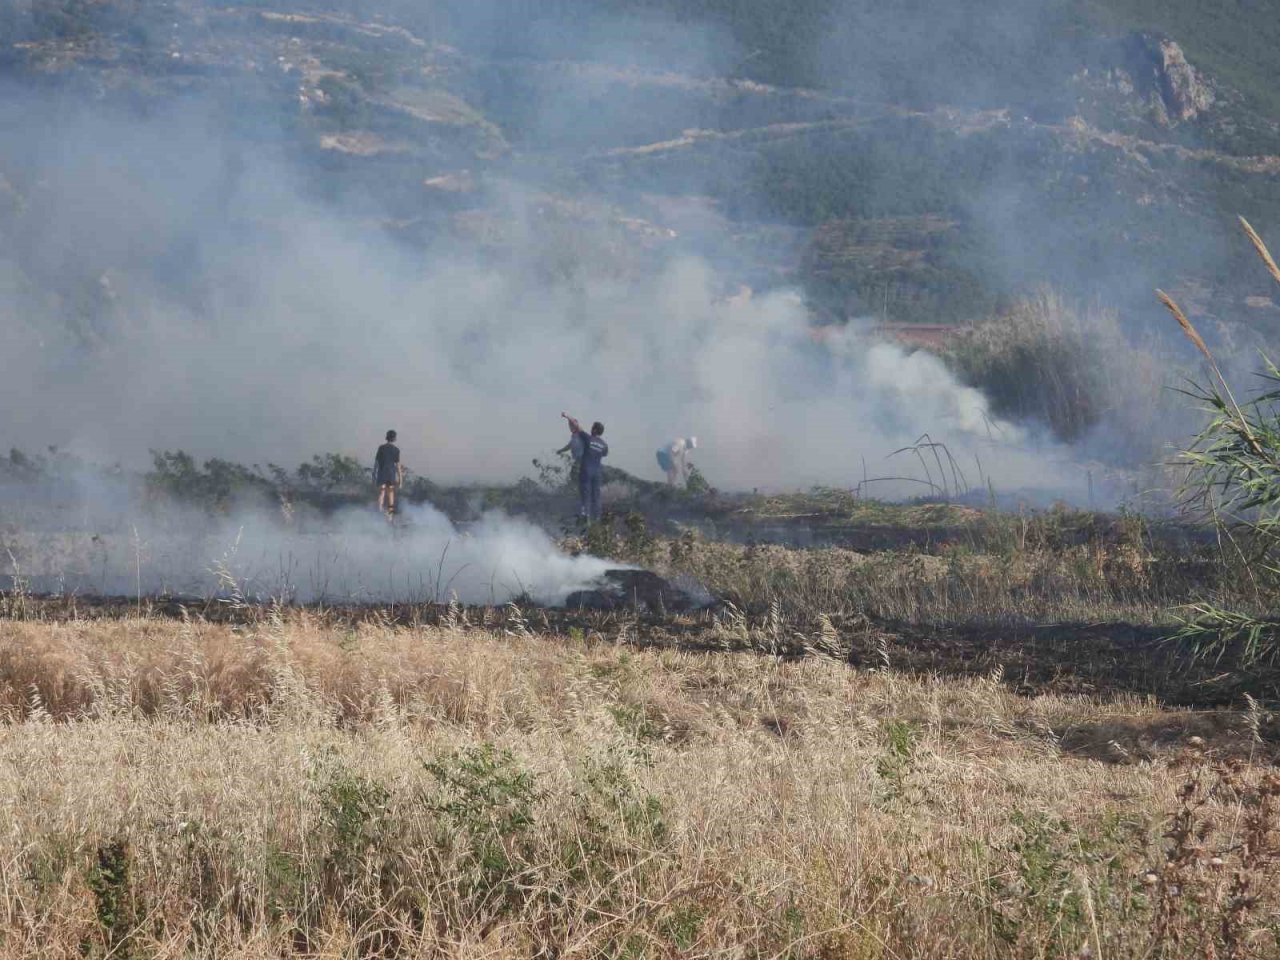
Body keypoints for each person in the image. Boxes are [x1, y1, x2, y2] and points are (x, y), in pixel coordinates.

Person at [562, 412, 608, 521]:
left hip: (586, 470)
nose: (591, 429)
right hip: (597, 473)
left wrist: (567, 416)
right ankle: (597, 518)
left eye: (592, 427)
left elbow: (576, 426)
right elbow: (604, 454)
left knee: (585, 494)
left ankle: (585, 515)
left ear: (595, 430)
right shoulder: (604, 445)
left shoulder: (588, 438)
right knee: (596, 496)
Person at [373, 429, 402, 516]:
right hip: (391, 474)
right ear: (394, 438)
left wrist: (374, 473)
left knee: (382, 492)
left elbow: (376, 463)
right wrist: (400, 480)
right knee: (391, 493)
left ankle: (379, 511)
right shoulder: (396, 450)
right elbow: (398, 466)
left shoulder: (381, 448)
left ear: (387, 437)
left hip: (382, 473)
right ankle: (390, 514)